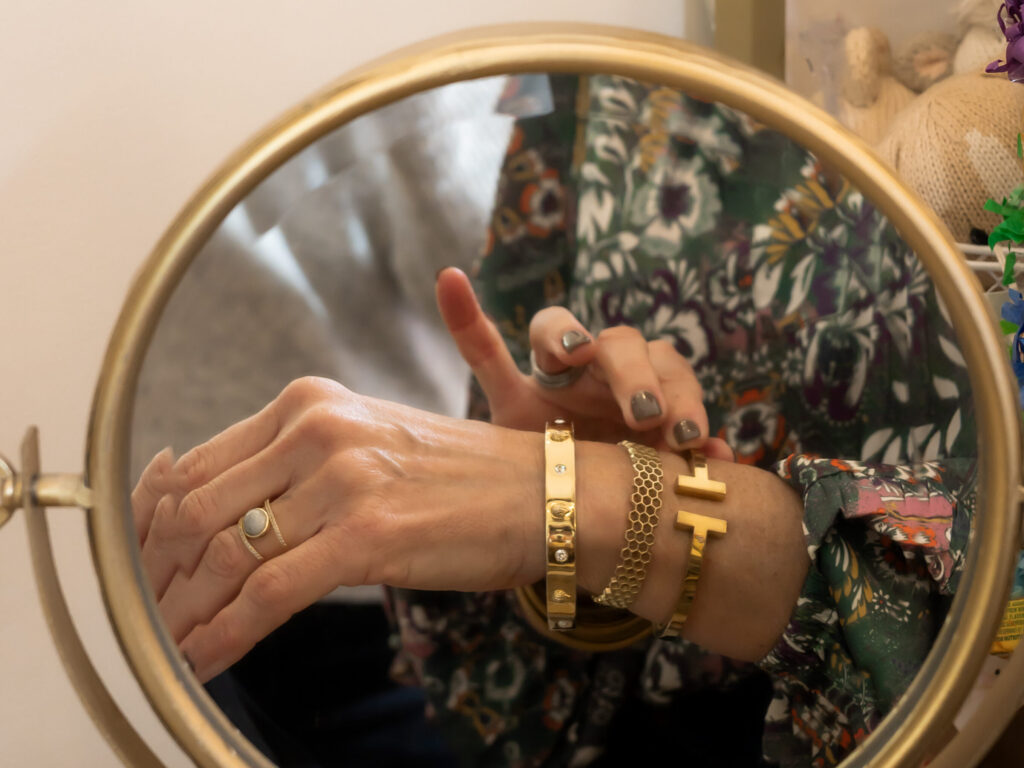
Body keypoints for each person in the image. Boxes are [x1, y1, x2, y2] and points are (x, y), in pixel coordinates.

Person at [132, 74, 976, 767]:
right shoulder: (503, 110)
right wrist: (581, 512)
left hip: (283, 554)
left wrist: (581, 497)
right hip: (314, 561)